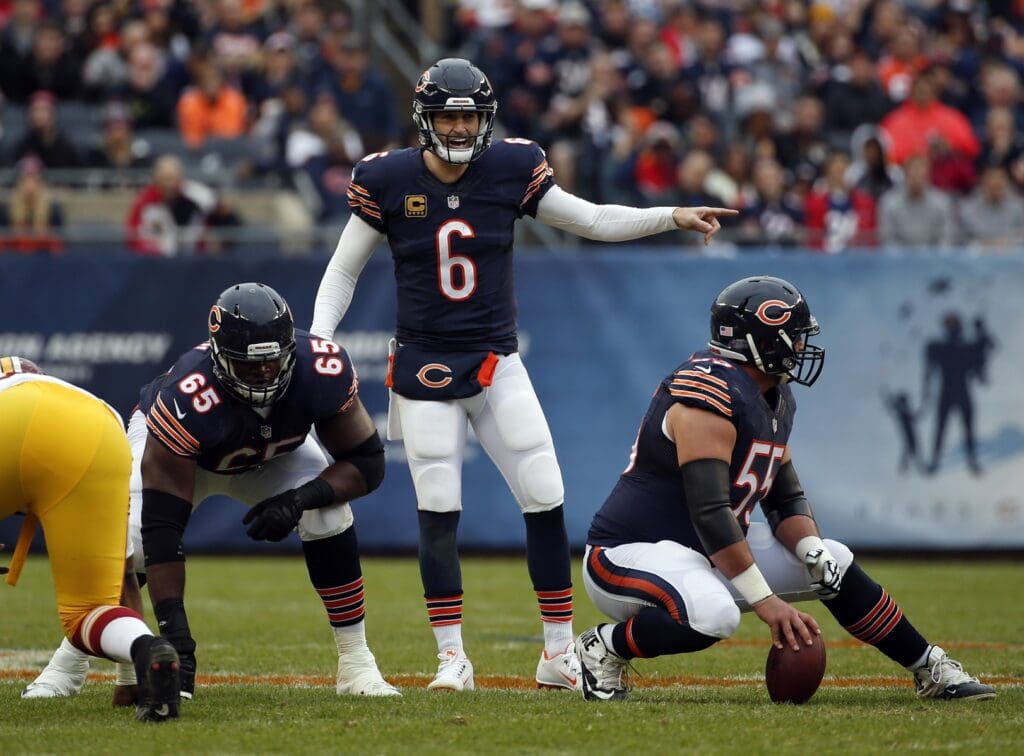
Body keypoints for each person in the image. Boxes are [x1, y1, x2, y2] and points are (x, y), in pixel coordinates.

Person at [310, 57, 736, 692]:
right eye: (448, 117)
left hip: (495, 358)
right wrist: (320, 341)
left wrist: (670, 215)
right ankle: (451, 659)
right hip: (423, 364)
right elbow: (344, 270)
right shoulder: (388, 178)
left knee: (544, 495)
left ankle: (558, 652)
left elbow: (590, 220)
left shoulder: (511, 167)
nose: (458, 129)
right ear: (425, 120)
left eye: (469, 116)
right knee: (439, 509)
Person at [574, 276, 996, 703]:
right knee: (714, 616)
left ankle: (929, 667)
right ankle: (603, 646)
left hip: (707, 553)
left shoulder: (772, 394)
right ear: (760, 338)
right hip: (627, 554)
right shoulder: (707, 392)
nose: (800, 347)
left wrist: (811, 548)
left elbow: (784, 497)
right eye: (793, 336)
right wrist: (765, 601)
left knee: (835, 561)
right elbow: (710, 512)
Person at [25, 282, 399, 700]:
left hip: (270, 457)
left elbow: (368, 463)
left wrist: (298, 500)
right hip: (184, 457)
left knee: (328, 513)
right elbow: (164, 530)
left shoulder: (320, 369)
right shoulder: (187, 397)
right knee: (126, 544)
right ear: (220, 358)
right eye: (249, 366)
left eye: (273, 362)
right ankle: (69, 661)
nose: (264, 374)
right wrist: (179, 644)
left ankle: (356, 663)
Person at [1, 356, 182, 722]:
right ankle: (147, 648)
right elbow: (126, 576)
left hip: (12, 422)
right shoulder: (64, 395)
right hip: (99, 426)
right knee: (87, 611)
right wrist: (131, 676)